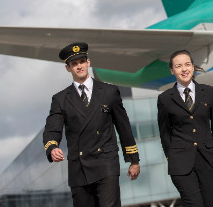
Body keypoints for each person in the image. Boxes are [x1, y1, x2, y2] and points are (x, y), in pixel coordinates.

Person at [43, 42, 140, 207]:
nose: (79, 66)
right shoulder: (60, 99)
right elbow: (52, 128)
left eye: (81, 61)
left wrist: (134, 160)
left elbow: (123, 127)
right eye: (74, 64)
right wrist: (52, 147)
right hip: (79, 169)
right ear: (68, 68)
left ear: (88, 62)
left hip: (106, 162)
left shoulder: (109, 91)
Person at [157, 49, 213, 207]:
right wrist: (172, 158)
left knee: (210, 204)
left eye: (187, 64)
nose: (184, 69)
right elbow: (165, 133)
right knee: (193, 204)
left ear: (193, 67)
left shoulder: (209, 92)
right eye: (178, 66)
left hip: (209, 160)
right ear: (172, 70)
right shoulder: (164, 99)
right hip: (181, 163)